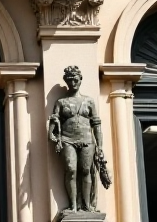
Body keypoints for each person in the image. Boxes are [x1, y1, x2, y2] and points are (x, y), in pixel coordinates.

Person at [48, 65, 104, 213]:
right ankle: (73, 205)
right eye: (70, 80)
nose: (73, 83)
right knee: (71, 169)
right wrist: (53, 133)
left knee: (86, 170)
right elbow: (53, 126)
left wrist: (100, 147)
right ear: (66, 82)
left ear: (80, 80)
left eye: (75, 80)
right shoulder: (61, 102)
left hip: (87, 139)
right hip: (67, 139)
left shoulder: (89, 101)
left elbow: (96, 125)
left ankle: (86, 206)